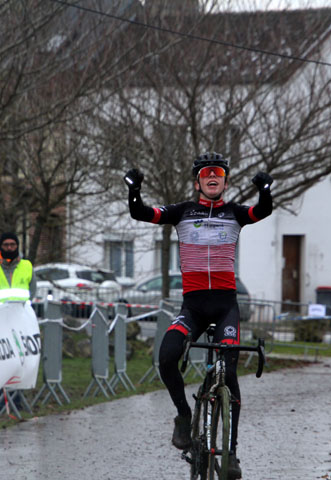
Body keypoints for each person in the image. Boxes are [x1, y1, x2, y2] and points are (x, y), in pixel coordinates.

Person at [124, 152, 273, 479]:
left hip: (225, 307)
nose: (212, 176)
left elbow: (262, 211)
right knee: (166, 356)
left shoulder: (235, 213)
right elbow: (141, 212)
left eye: (218, 172)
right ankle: (183, 414)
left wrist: (265, 190)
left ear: (225, 180)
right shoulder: (182, 211)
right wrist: (134, 190)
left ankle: (231, 453)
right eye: (206, 173)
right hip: (192, 307)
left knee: (229, 372)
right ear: (198, 182)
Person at [0, 232, 38, 306]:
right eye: (6, 245)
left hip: (21, 313)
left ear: (17, 246)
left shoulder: (27, 266)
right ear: (0, 246)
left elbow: (32, 290)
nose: (9, 247)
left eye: (12, 244)